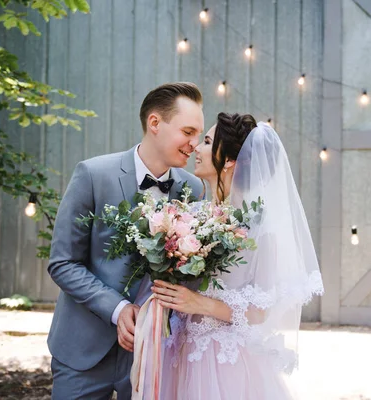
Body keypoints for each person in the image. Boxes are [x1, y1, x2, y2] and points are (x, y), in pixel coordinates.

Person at [47, 82, 205, 399]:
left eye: (199, 135)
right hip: (84, 350)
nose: (195, 144)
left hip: (155, 351)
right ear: (155, 123)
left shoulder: (193, 189)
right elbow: (63, 263)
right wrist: (118, 309)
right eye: (188, 132)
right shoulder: (92, 174)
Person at [151, 112, 324, 399]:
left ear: (229, 160)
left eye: (206, 142)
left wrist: (200, 304)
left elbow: (260, 312)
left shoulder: (261, 229)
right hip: (181, 351)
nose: (196, 148)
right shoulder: (190, 216)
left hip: (224, 360)